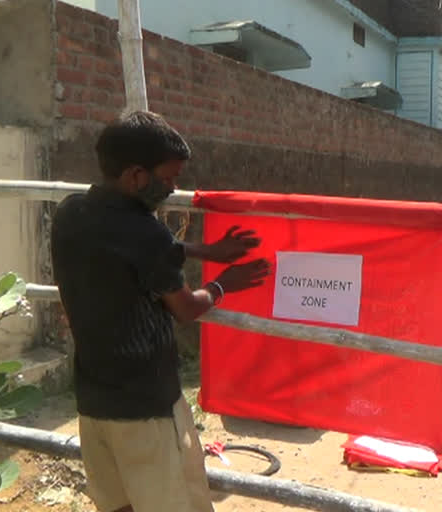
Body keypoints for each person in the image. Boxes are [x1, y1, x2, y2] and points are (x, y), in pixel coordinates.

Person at [51, 111, 271, 512]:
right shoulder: (144, 231)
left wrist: (208, 250)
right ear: (135, 175)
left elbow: (133, 248)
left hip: (92, 400)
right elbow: (186, 308)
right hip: (147, 406)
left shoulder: (70, 212)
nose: (174, 188)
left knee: (118, 504)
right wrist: (224, 284)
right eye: (168, 179)